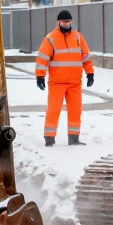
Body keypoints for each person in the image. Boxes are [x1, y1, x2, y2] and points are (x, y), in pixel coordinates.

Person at [35, 10, 95, 146]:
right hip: (57, 82)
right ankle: (49, 138)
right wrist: (40, 75)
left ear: (71, 22)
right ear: (59, 22)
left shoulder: (78, 37)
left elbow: (85, 57)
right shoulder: (50, 38)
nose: (66, 24)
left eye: (68, 22)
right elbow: (42, 58)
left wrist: (90, 73)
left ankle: (74, 139)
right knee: (53, 110)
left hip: (75, 82)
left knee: (75, 111)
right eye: (64, 22)